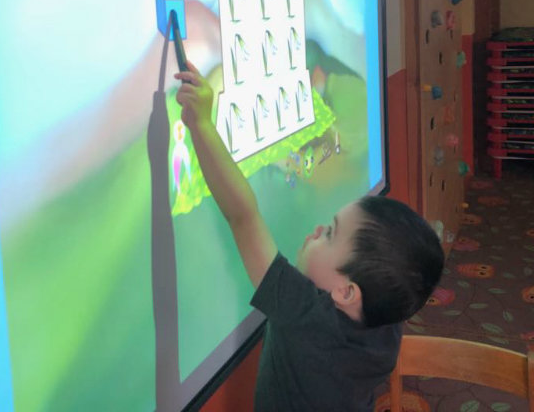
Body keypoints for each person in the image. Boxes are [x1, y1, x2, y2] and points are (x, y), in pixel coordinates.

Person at [175, 61, 444, 412]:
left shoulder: (305, 316)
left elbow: (242, 217)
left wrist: (201, 123)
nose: (317, 230)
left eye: (329, 234)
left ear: (346, 292)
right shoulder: (385, 322)